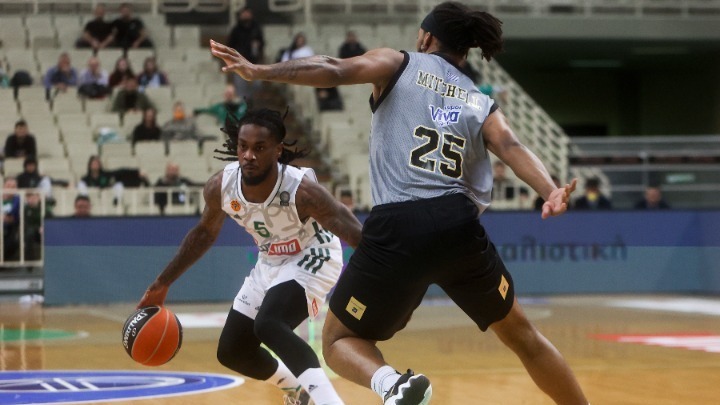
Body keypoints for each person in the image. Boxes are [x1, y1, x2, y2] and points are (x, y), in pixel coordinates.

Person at [210, 2, 589, 404]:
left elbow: (333, 69)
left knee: (337, 340)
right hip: (458, 227)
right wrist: (550, 190)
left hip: (399, 226)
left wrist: (260, 70)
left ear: (427, 37)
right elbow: (511, 146)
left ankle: (393, 384)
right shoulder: (478, 99)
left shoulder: (399, 63)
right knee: (525, 338)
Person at [138, 108, 362, 405]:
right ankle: (300, 391)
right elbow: (204, 234)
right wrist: (162, 282)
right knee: (232, 350)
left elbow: (355, 233)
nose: (248, 155)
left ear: (277, 151)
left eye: (259, 147)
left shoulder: (302, 191)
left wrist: (386, 276)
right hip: (269, 261)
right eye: (243, 146)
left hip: (314, 254)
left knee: (269, 323)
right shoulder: (221, 187)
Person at [227, 7, 264, 100]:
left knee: (257, 85)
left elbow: (262, 43)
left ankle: (254, 101)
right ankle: (243, 103)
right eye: (244, 14)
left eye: (248, 13)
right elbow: (230, 45)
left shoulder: (256, 29)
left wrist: (258, 46)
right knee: (241, 87)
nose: (246, 15)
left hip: (254, 61)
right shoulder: (236, 30)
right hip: (239, 62)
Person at [2, 177, 21, 261]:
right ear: (3, 187)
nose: (11, 188)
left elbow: (12, 218)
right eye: (8, 186)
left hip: (10, 229)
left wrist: (4, 218)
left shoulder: (18, 199)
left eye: (13, 186)